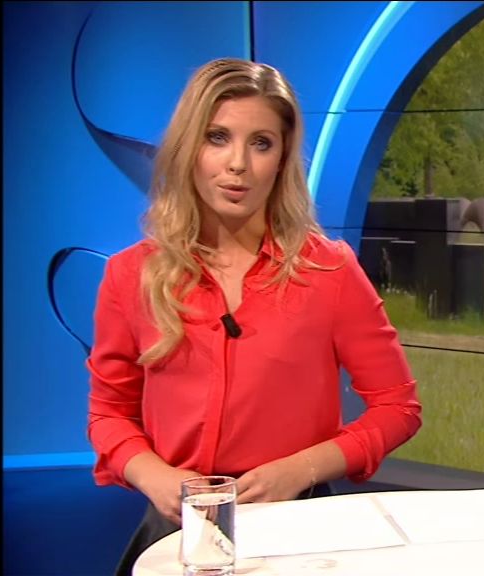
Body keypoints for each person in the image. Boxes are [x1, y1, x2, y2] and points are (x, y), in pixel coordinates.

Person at [86, 57, 422, 575]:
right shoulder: (131, 276)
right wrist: (157, 478)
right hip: (179, 531)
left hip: (301, 526)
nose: (238, 163)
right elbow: (109, 414)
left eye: (261, 143)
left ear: (283, 158)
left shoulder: (328, 271)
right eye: (217, 138)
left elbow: (398, 408)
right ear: (188, 147)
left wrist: (300, 469)